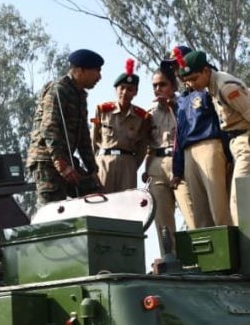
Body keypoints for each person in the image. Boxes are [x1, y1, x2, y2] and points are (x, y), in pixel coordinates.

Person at [175, 49, 250, 225]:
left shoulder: (225, 87)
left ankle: (247, 250)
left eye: (194, 78)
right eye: (188, 81)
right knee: (240, 202)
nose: (192, 84)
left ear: (206, 71)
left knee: (239, 201)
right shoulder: (213, 85)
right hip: (239, 143)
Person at [27, 49, 104, 204]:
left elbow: (83, 138)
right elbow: (49, 128)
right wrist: (62, 166)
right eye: (96, 71)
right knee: (52, 210)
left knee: (95, 194)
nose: (99, 77)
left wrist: (92, 170)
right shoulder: (59, 90)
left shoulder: (79, 95)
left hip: (65, 160)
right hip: (47, 161)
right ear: (81, 71)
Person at [144, 65, 205, 251]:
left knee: (193, 214)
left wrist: (172, 107)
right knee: (162, 222)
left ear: (173, 86)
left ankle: (205, 258)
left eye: (162, 84)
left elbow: (189, 131)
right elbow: (147, 144)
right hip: (156, 165)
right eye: (154, 85)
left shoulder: (186, 104)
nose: (158, 89)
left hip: (181, 163)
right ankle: (169, 261)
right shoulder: (150, 112)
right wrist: (146, 169)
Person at [165, 46, 228, 228]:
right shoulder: (183, 98)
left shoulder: (210, 84)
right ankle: (209, 256)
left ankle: (230, 253)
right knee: (200, 214)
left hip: (210, 145)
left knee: (219, 208)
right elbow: (180, 134)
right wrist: (177, 170)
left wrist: (229, 155)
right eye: (173, 67)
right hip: (188, 154)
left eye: (178, 65)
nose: (176, 71)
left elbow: (224, 120)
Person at [92, 59, 151, 193]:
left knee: (125, 206)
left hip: (128, 164)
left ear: (135, 92)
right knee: (103, 203)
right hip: (104, 163)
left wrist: (132, 165)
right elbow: (93, 141)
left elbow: (142, 147)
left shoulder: (142, 117)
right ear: (115, 90)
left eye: (129, 89)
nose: (125, 92)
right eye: (122, 88)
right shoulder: (102, 110)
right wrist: (92, 168)